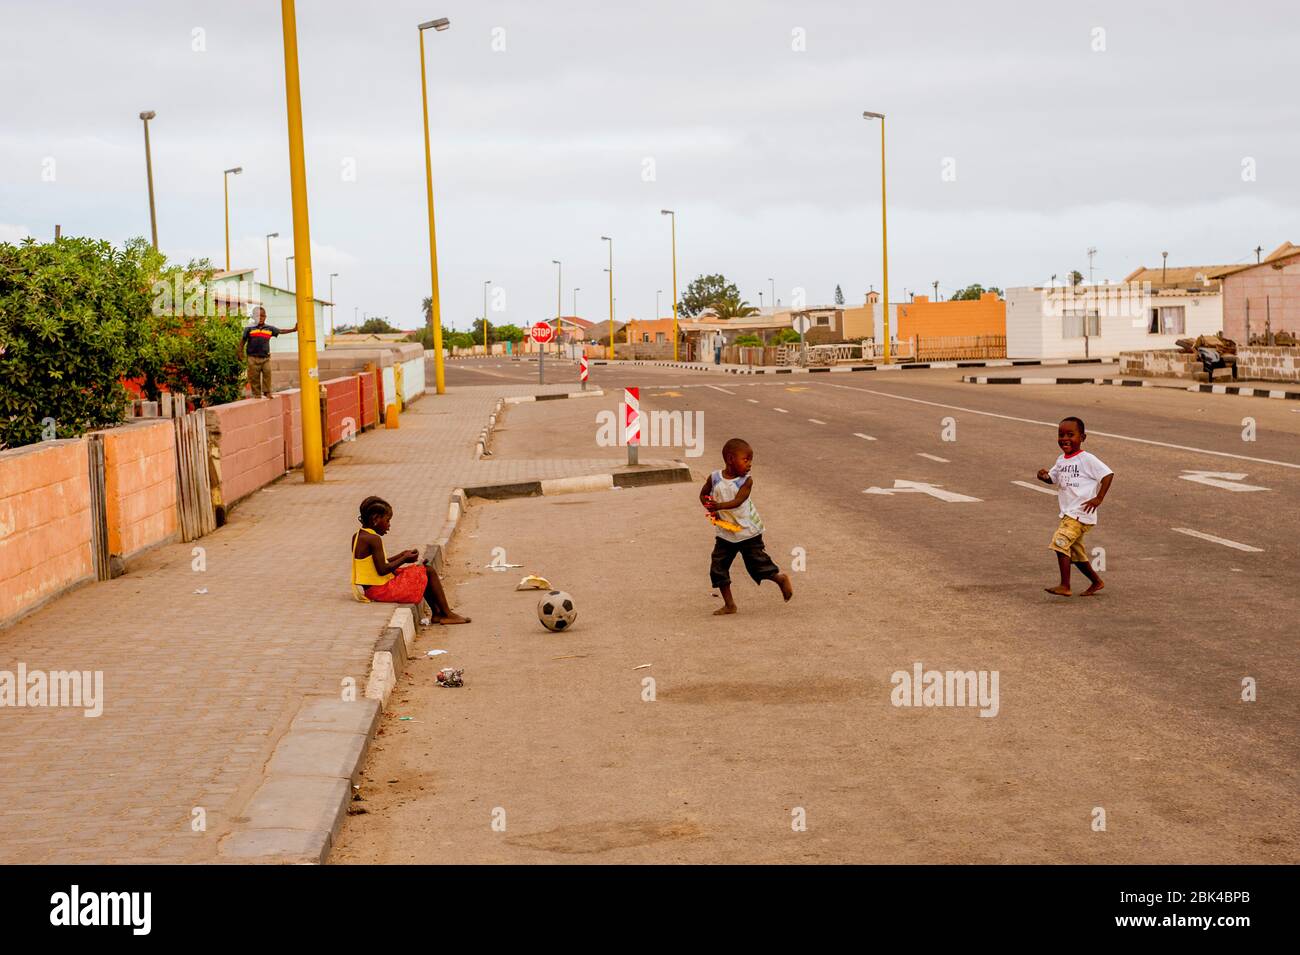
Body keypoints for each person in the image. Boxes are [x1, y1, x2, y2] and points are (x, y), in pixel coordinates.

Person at [700, 437, 794, 615]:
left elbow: (738, 501)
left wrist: (718, 506)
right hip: (726, 532)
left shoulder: (746, 481)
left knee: (757, 565)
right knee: (718, 567)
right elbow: (704, 494)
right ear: (730, 459)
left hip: (748, 532)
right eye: (746, 460)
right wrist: (708, 506)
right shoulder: (714, 478)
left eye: (751, 460)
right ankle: (729, 605)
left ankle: (780, 579)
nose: (749, 464)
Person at [350, 496, 470, 624]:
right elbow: (382, 569)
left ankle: (438, 613)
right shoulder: (374, 539)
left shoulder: (358, 536)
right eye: (387, 520)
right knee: (427, 571)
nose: (389, 526)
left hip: (373, 588)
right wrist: (404, 559)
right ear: (376, 519)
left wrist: (402, 555)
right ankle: (446, 613)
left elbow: (376, 563)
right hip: (380, 590)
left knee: (422, 570)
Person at [1036, 416, 1114, 597]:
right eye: (1061, 435)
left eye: (1071, 435)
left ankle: (1065, 585)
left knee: (1060, 542)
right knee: (1076, 553)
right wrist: (1044, 477)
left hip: (1080, 513)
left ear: (1083, 438)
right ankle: (1096, 582)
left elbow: (1108, 475)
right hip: (1068, 513)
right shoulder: (1062, 460)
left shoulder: (1087, 459)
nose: (1065, 439)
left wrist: (1099, 498)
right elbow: (1053, 479)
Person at [238, 306, 297, 399]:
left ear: (265, 317)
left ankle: (267, 392)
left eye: (262, 316)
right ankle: (257, 394)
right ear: (253, 317)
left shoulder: (269, 329)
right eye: (257, 316)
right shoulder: (249, 328)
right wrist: (239, 352)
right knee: (254, 377)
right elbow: (242, 341)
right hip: (252, 358)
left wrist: (293, 329)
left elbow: (280, 331)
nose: (260, 318)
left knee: (267, 373)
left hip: (265, 358)